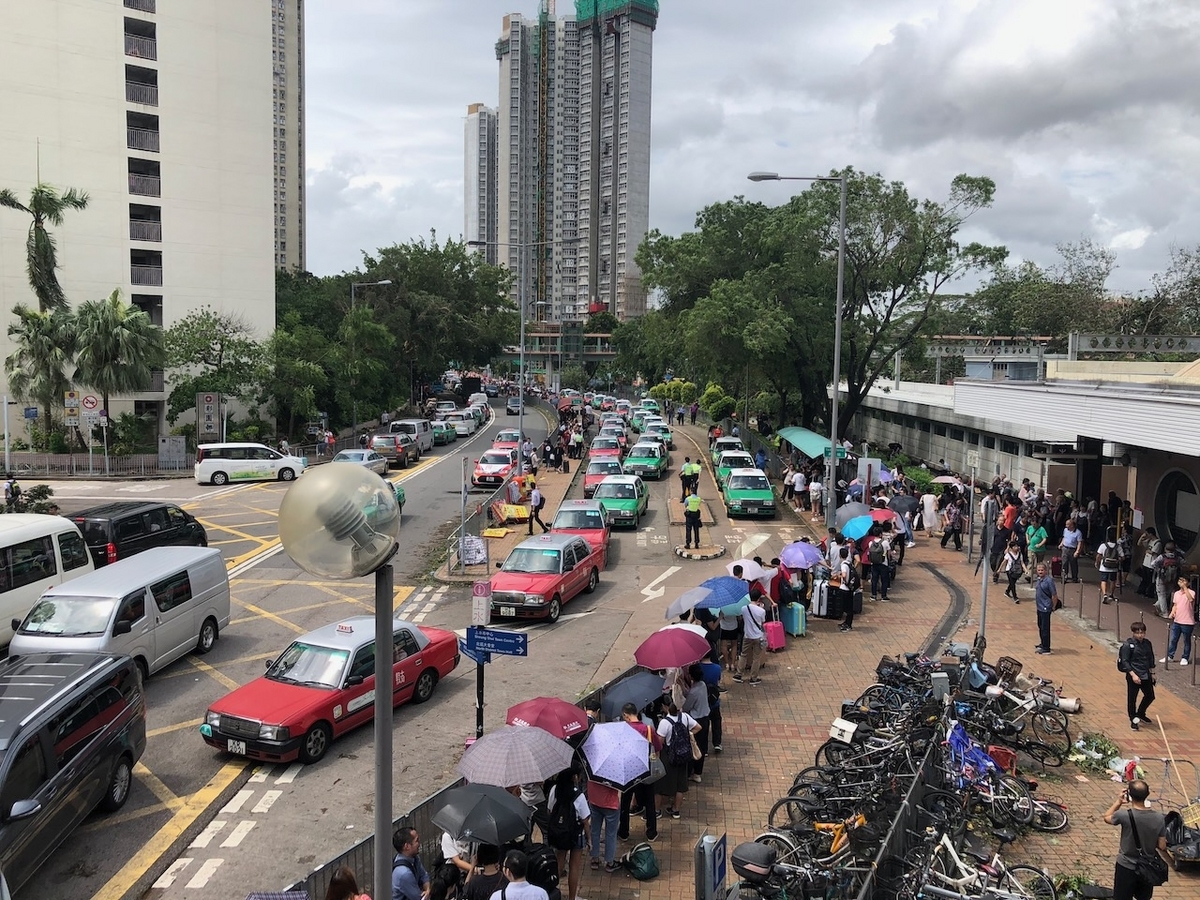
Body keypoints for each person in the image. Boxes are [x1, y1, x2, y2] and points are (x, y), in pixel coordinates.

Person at [1102, 779, 1168, 900]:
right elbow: (1162, 846)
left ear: (1129, 795)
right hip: (1147, 867)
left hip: (1126, 866)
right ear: (1147, 794)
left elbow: (1106, 817)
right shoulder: (1159, 818)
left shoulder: (1124, 815)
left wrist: (1119, 802)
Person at [617, 703, 659, 843]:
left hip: (629, 771)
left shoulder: (624, 730)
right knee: (650, 802)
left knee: (625, 801)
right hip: (645, 770)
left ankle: (624, 832)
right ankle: (651, 832)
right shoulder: (648, 729)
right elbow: (658, 748)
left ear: (625, 715)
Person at [547, 769, 588, 900]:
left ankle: (553, 893)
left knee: (559, 863)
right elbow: (585, 820)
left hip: (560, 833)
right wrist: (590, 839)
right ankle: (572, 897)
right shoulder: (579, 796)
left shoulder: (555, 789)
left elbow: (549, 810)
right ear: (574, 777)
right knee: (574, 867)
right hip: (576, 835)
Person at [655, 700, 701, 819]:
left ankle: (657, 811)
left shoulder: (665, 722)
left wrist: (657, 759)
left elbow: (659, 743)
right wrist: (687, 734)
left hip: (669, 755)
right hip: (684, 754)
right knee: (680, 784)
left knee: (660, 786)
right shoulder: (685, 717)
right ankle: (676, 810)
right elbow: (698, 727)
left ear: (665, 707)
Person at [1118, 622, 1157, 730]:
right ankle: (1133, 719)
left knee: (1150, 696)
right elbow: (1125, 662)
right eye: (1138, 633)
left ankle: (1141, 713)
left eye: (1142, 633)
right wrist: (1133, 675)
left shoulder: (1147, 643)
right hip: (1133, 674)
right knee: (1132, 699)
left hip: (1145, 673)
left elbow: (1150, 658)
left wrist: (1152, 673)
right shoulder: (1128, 645)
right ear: (1133, 633)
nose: (1140, 635)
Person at [587, 774, 621, 873]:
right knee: (611, 834)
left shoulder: (593, 766)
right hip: (610, 804)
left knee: (595, 830)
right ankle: (610, 862)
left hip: (594, 800)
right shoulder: (615, 769)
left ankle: (594, 859)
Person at [1162, 575, 1197, 666]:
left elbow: (1190, 599)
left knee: (1186, 641)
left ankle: (1185, 657)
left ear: (1188, 583)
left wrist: (1185, 587)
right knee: (1173, 639)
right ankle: (1170, 656)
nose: (1181, 582)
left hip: (1187, 622)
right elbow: (1175, 605)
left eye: (1183, 580)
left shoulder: (1191, 592)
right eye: (1180, 580)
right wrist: (1172, 612)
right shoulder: (1177, 593)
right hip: (1177, 621)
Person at [733, 593, 767, 683]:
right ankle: (753, 678)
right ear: (759, 599)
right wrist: (762, 608)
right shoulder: (761, 611)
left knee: (743, 654)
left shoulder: (744, 608)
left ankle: (738, 674)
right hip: (758, 637)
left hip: (747, 635)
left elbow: (743, 618)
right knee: (756, 658)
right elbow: (762, 622)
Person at [391, 827, 430, 900]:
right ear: (407, 846)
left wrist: (427, 890)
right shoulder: (404, 873)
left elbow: (424, 875)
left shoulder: (414, 857)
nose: (419, 843)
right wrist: (427, 894)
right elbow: (418, 897)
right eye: (417, 841)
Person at [1033, 562, 1058, 655]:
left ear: (1046, 571)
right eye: (1039, 570)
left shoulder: (1049, 581)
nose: (1040, 572)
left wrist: (1053, 606)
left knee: (1045, 628)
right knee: (1040, 625)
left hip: (1046, 608)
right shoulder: (1039, 579)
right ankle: (1043, 643)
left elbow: (1054, 595)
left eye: (1042, 570)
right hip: (1039, 607)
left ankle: (1046, 647)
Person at [1097, 527, 1123, 605]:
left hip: (1104, 566)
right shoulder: (1118, 546)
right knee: (1113, 580)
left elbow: (1098, 555)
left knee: (1104, 580)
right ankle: (1111, 594)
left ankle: (1105, 594)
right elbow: (1122, 557)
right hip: (1114, 567)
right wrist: (1118, 561)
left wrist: (1097, 562)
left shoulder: (1103, 545)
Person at [1059, 518, 1083, 583]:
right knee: (1064, 563)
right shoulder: (1065, 530)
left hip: (1073, 549)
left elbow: (1079, 542)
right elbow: (1064, 537)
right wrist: (1061, 544)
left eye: (1068, 524)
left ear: (1072, 525)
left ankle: (1074, 577)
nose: (1066, 526)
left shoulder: (1078, 532)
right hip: (1065, 548)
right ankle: (1064, 577)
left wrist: (1077, 551)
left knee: (1073, 564)